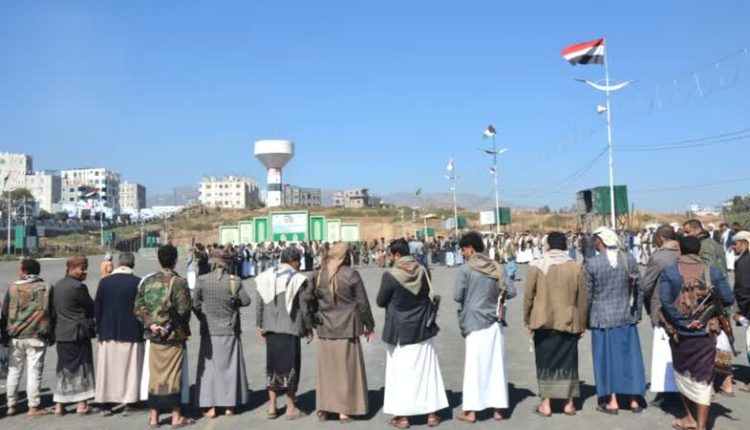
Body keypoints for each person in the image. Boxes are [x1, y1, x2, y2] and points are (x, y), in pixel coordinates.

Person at [660, 236, 735, 430]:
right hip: (706, 333)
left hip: (679, 334)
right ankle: (701, 425)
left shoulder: (670, 271)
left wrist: (683, 322)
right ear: (700, 252)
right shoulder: (713, 271)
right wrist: (705, 313)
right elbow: (728, 298)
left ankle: (690, 419)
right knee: (704, 378)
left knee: (683, 374)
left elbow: (665, 301)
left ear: (680, 251)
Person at [376, 238, 448, 428]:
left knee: (400, 375)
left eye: (391, 255)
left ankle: (403, 417)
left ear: (397, 255)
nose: (389, 258)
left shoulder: (390, 276)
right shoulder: (423, 271)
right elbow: (425, 293)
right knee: (427, 372)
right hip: (423, 327)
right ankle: (432, 415)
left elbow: (380, 301)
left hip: (400, 331)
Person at [308, 242, 375, 423]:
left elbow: (309, 300)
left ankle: (324, 408)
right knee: (347, 371)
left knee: (326, 371)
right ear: (346, 256)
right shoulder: (350, 274)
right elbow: (362, 303)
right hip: (347, 327)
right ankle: (344, 411)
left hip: (325, 328)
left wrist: (312, 322)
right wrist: (369, 325)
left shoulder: (319, 273)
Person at [454, 231, 516, 423]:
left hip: (473, 322)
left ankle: (471, 412)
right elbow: (512, 290)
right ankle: (498, 410)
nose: (462, 253)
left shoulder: (465, 269)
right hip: (495, 322)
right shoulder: (496, 266)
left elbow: (457, 296)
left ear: (470, 248)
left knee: (474, 367)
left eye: (463, 250)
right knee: (496, 366)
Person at [523, 231, 586, 417]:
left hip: (542, 321)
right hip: (568, 321)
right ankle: (569, 404)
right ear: (565, 246)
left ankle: (546, 404)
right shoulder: (575, 266)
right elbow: (582, 298)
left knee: (544, 361)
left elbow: (528, 296)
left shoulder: (536, 265)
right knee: (569, 362)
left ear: (548, 245)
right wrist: (582, 324)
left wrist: (527, 319)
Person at [585, 227, 646, 414]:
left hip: (602, 318)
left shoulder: (592, 263)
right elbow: (639, 288)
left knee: (606, 360)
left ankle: (612, 401)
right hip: (626, 316)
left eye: (595, 240)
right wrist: (637, 313)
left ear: (601, 241)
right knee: (629, 358)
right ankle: (634, 399)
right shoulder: (629, 259)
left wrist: (586, 318)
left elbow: (588, 295)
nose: (594, 243)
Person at [134, 245, 195, 429]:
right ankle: (176, 416)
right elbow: (184, 311)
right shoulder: (179, 282)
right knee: (174, 375)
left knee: (155, 376)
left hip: (154, 336)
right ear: (175, 261)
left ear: (159, 260)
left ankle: (154, 417)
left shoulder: (147, 281)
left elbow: (138, 307)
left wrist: (150, 324)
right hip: (173, 336)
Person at [193, 250, 252, 418]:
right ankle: (229, 405)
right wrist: (233, 303)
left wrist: (203, 318)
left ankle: (210, 406)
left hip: (209, 329)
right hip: (229, 328)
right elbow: (246, 300)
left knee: (209, 370)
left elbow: (195, 304)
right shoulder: (234, 281)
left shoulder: (202, 280)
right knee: (229, 368)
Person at [255, 246, 311, 419]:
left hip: (271, 328)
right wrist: (308, 327)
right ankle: (290, 407)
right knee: (291, 368)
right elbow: (304, 307)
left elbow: (259, 303)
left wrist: (261, 325)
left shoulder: (265, 276)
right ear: (293, 261)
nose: (300, 264)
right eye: (298, 261)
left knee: (272, 367)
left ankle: (272, 406)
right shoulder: (298, 279)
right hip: (290, 328)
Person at [682, 219, 733, 395]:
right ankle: (726, 382)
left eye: (687, 232)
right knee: (723, 341)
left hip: (712, 300)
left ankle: (712, 384)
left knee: (712, 343)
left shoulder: (703, 246)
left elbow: (707, 273)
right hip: (721, 296)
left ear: (696, 230)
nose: (685, 235)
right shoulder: (714, 243)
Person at [0, 258, 54, 418]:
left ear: (23, 271)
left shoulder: (13, 288)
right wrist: (51, 334)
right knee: (34, 372)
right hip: (37, 336)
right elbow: (53, 312)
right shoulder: (47, 287)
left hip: (15, 336)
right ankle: (33, 407)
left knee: (14, 371)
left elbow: (4, 314)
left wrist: (4, 336)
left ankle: (11, 405)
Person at [94, 252, 145, 417]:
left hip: (108, 330)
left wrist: (99, 330)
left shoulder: (105, 282)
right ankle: (130, 401)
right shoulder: (138, 282)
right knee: (130, 369)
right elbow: (142, 309)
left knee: (108, 369)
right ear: (133, 264)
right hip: (132, 331)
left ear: (118, 263)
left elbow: (97, 308)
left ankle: (105, 402)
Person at [641, 225, 680, 406]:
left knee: (664, 352)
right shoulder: (683, 253)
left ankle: (667, 393)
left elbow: (647, 285)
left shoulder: (659, 257)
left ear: (661, 238)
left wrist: (647, 307)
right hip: (684, 309)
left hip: (662, 309)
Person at [52, 256, 96, 415]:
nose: (85, 272)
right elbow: (91, 307)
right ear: (71, 269)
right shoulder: (79, 287)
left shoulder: (58, 285)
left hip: (62, 333)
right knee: (82, 367)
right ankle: (81, 404)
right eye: (81, 269)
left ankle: (59, 405)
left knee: (63, 369)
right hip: (78, 334)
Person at [732, 231, 750, 393]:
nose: (733, 247)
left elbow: (744, 289)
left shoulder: (744, 262)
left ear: (744, 243)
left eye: (735, 244)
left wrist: (740, 311)